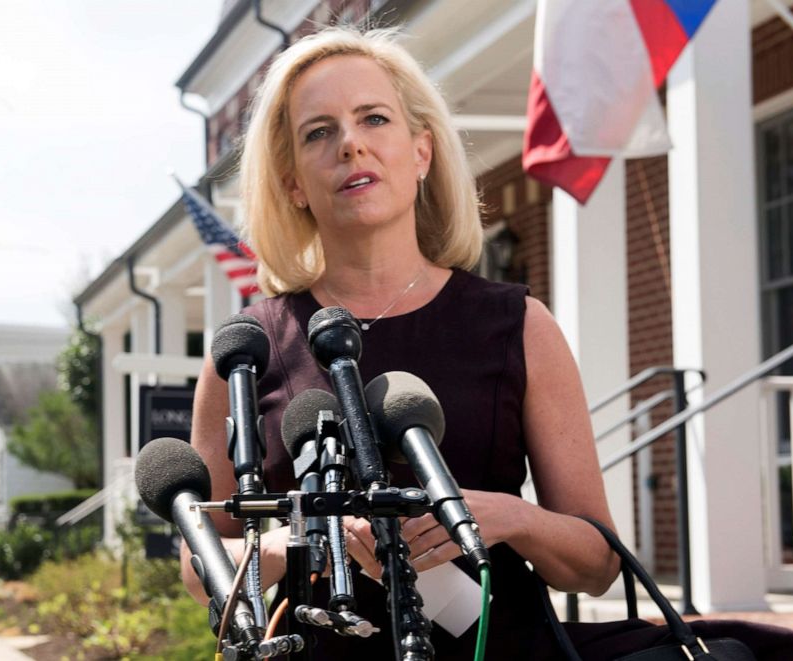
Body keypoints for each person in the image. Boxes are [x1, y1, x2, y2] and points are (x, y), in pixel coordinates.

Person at [182, 26, 619, 659]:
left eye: (373, 118)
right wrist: (290, 543)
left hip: (497, 647)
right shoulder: (244, 352)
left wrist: (510, 518)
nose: (351, 144)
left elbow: (596, 565)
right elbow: (200, 570)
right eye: (319, 132)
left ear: (421, 152)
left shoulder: (519, 325)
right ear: (294, 183)